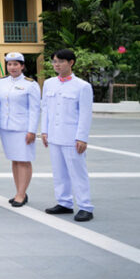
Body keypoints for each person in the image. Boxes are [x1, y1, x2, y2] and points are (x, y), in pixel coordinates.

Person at [42, 49, 95, 222]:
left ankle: (85, 206)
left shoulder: (82, 86)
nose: (56, 65)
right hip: (54, 135)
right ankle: (64, 202)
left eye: (60, 61)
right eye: (54, 61)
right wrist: (44, 131)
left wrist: (82, 137)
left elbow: (85, 114)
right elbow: (45, 109)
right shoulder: (49, 84)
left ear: (71, 63)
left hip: (72, 136)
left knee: (77, 172)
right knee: (59, 172)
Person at [0, 51, 41, 207]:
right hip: (6, 127)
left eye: (16, 64)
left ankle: (22, 193)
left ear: (22, 66)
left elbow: (35, 109)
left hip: (22, 128)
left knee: (24, 161)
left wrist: (32, 130)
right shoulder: (1, 83)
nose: (12, 67)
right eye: (9, 64)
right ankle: (18, 191)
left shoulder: (30, 84)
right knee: (15, 160)